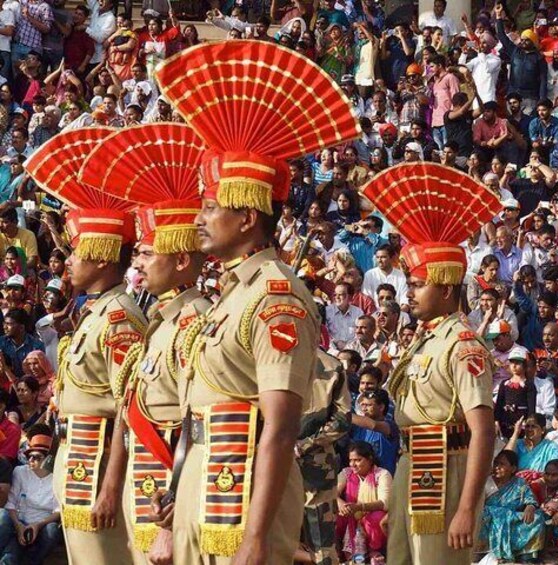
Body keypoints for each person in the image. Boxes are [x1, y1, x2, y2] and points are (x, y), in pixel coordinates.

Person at [155, 41, 360, 564]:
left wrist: (255, 537)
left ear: (248, 217)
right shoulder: (232, 294)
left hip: (242, 494)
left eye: (211, 206)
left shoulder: (276, 294)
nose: (197, 219)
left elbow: (282, 425)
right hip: (204, 478)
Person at [75, 123, 212, 563]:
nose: (138, 264)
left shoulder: (194, 321)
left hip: (166, 482)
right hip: (144, 473)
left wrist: (170, 523)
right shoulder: (161, 321)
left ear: (181, 259)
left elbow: (194, 423)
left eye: (148, 254)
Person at [361, 162, 497, 565]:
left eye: (419, 284)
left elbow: (483, 431)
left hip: (446, 469)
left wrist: (468, 508)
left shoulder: (462, 343)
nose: (410, 293)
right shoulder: (426, 339)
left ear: (447, 285)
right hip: (411, 464)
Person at [26, 126, 146, 564]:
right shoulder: (95, 310)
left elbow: (128, 408)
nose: (68, 260)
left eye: (77, 251)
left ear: (100, 257)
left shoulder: (120, 317)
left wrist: (113, 486)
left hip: (98, 467)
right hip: (77, 457)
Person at [296, 348, 351, 565]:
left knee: (321, 540)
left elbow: (342, 419)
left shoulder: (331, 366)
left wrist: (304, 444)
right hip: (307, 458)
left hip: (313, 464)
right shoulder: (332, 364)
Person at [0, 430, 60, 565]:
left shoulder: (57, 478)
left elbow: (58, 511)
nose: (30, 460)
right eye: (29, 456)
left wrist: (37, 525)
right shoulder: (20, 472)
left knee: (52, 530)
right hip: (19, 521)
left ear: (48, 459)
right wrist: (19, 525)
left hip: (42, 525)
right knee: (9, 559)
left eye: (36, 457)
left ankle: (34, 561)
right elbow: (11, 504)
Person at [479, 449, 545, 562]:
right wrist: (498, 513)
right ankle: (484, 551)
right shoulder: (486, 481)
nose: (497, 467)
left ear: (513, 469)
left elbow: (530, 499)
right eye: (496, 463)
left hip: (511, 520)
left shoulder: (519, 483)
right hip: (489, 519)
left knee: (538, 518)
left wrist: (530, 507)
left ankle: (525, 555)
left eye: (502, 464)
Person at [335, 440, 392, 564]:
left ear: (370, 459)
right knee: (335, 514)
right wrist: (341, 503)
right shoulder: (347, 473)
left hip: (371, 520)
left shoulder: (382, 474)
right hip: (351, 515)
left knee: (376, 517)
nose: (353, 464)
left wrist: (360, 507)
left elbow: (385, 502)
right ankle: (338, 553)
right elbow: (333, 493)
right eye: (351, 460)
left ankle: (374, 551)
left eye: (358, 460)